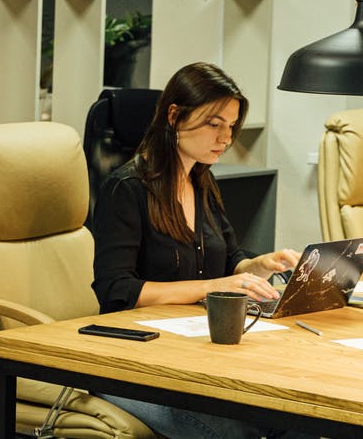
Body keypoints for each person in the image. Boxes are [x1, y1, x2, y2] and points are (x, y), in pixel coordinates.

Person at [91, 61, 302, 439]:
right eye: (214, 123)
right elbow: (118, 290)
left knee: (296, 422)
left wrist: (259, 266)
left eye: (232, 125)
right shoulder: (126, 188)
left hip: (192, 358)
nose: (226, 136)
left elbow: (230, 260)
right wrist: (213, 287)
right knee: (240, 435)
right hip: (131, 364)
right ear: (175, 116)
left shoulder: (201, 180)